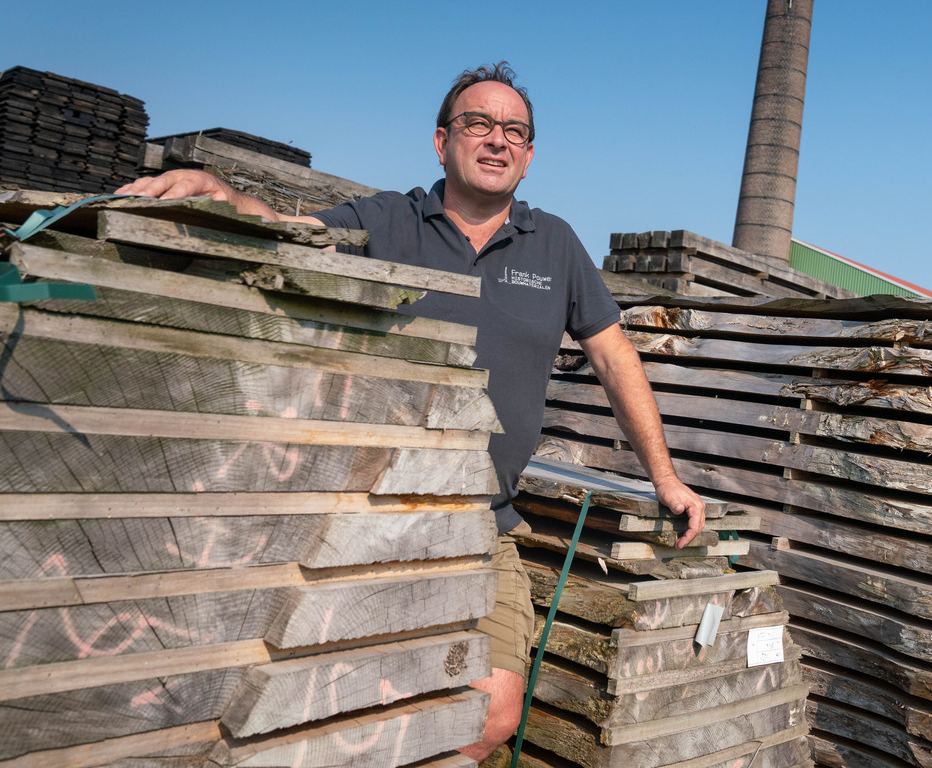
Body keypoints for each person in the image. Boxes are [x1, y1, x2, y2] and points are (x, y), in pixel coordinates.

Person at [117, 62, 706, 761]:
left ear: (530, 154)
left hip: (484, 522)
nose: (496, 141)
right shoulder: (386, 219)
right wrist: (222, 194)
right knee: (345, 704)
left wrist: (664, 477)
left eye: (513, 131)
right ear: (441, 142)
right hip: (369, 516)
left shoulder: (556, 246)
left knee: (490, 717)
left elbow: (615, 360)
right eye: (478, 124)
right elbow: (286, 234)